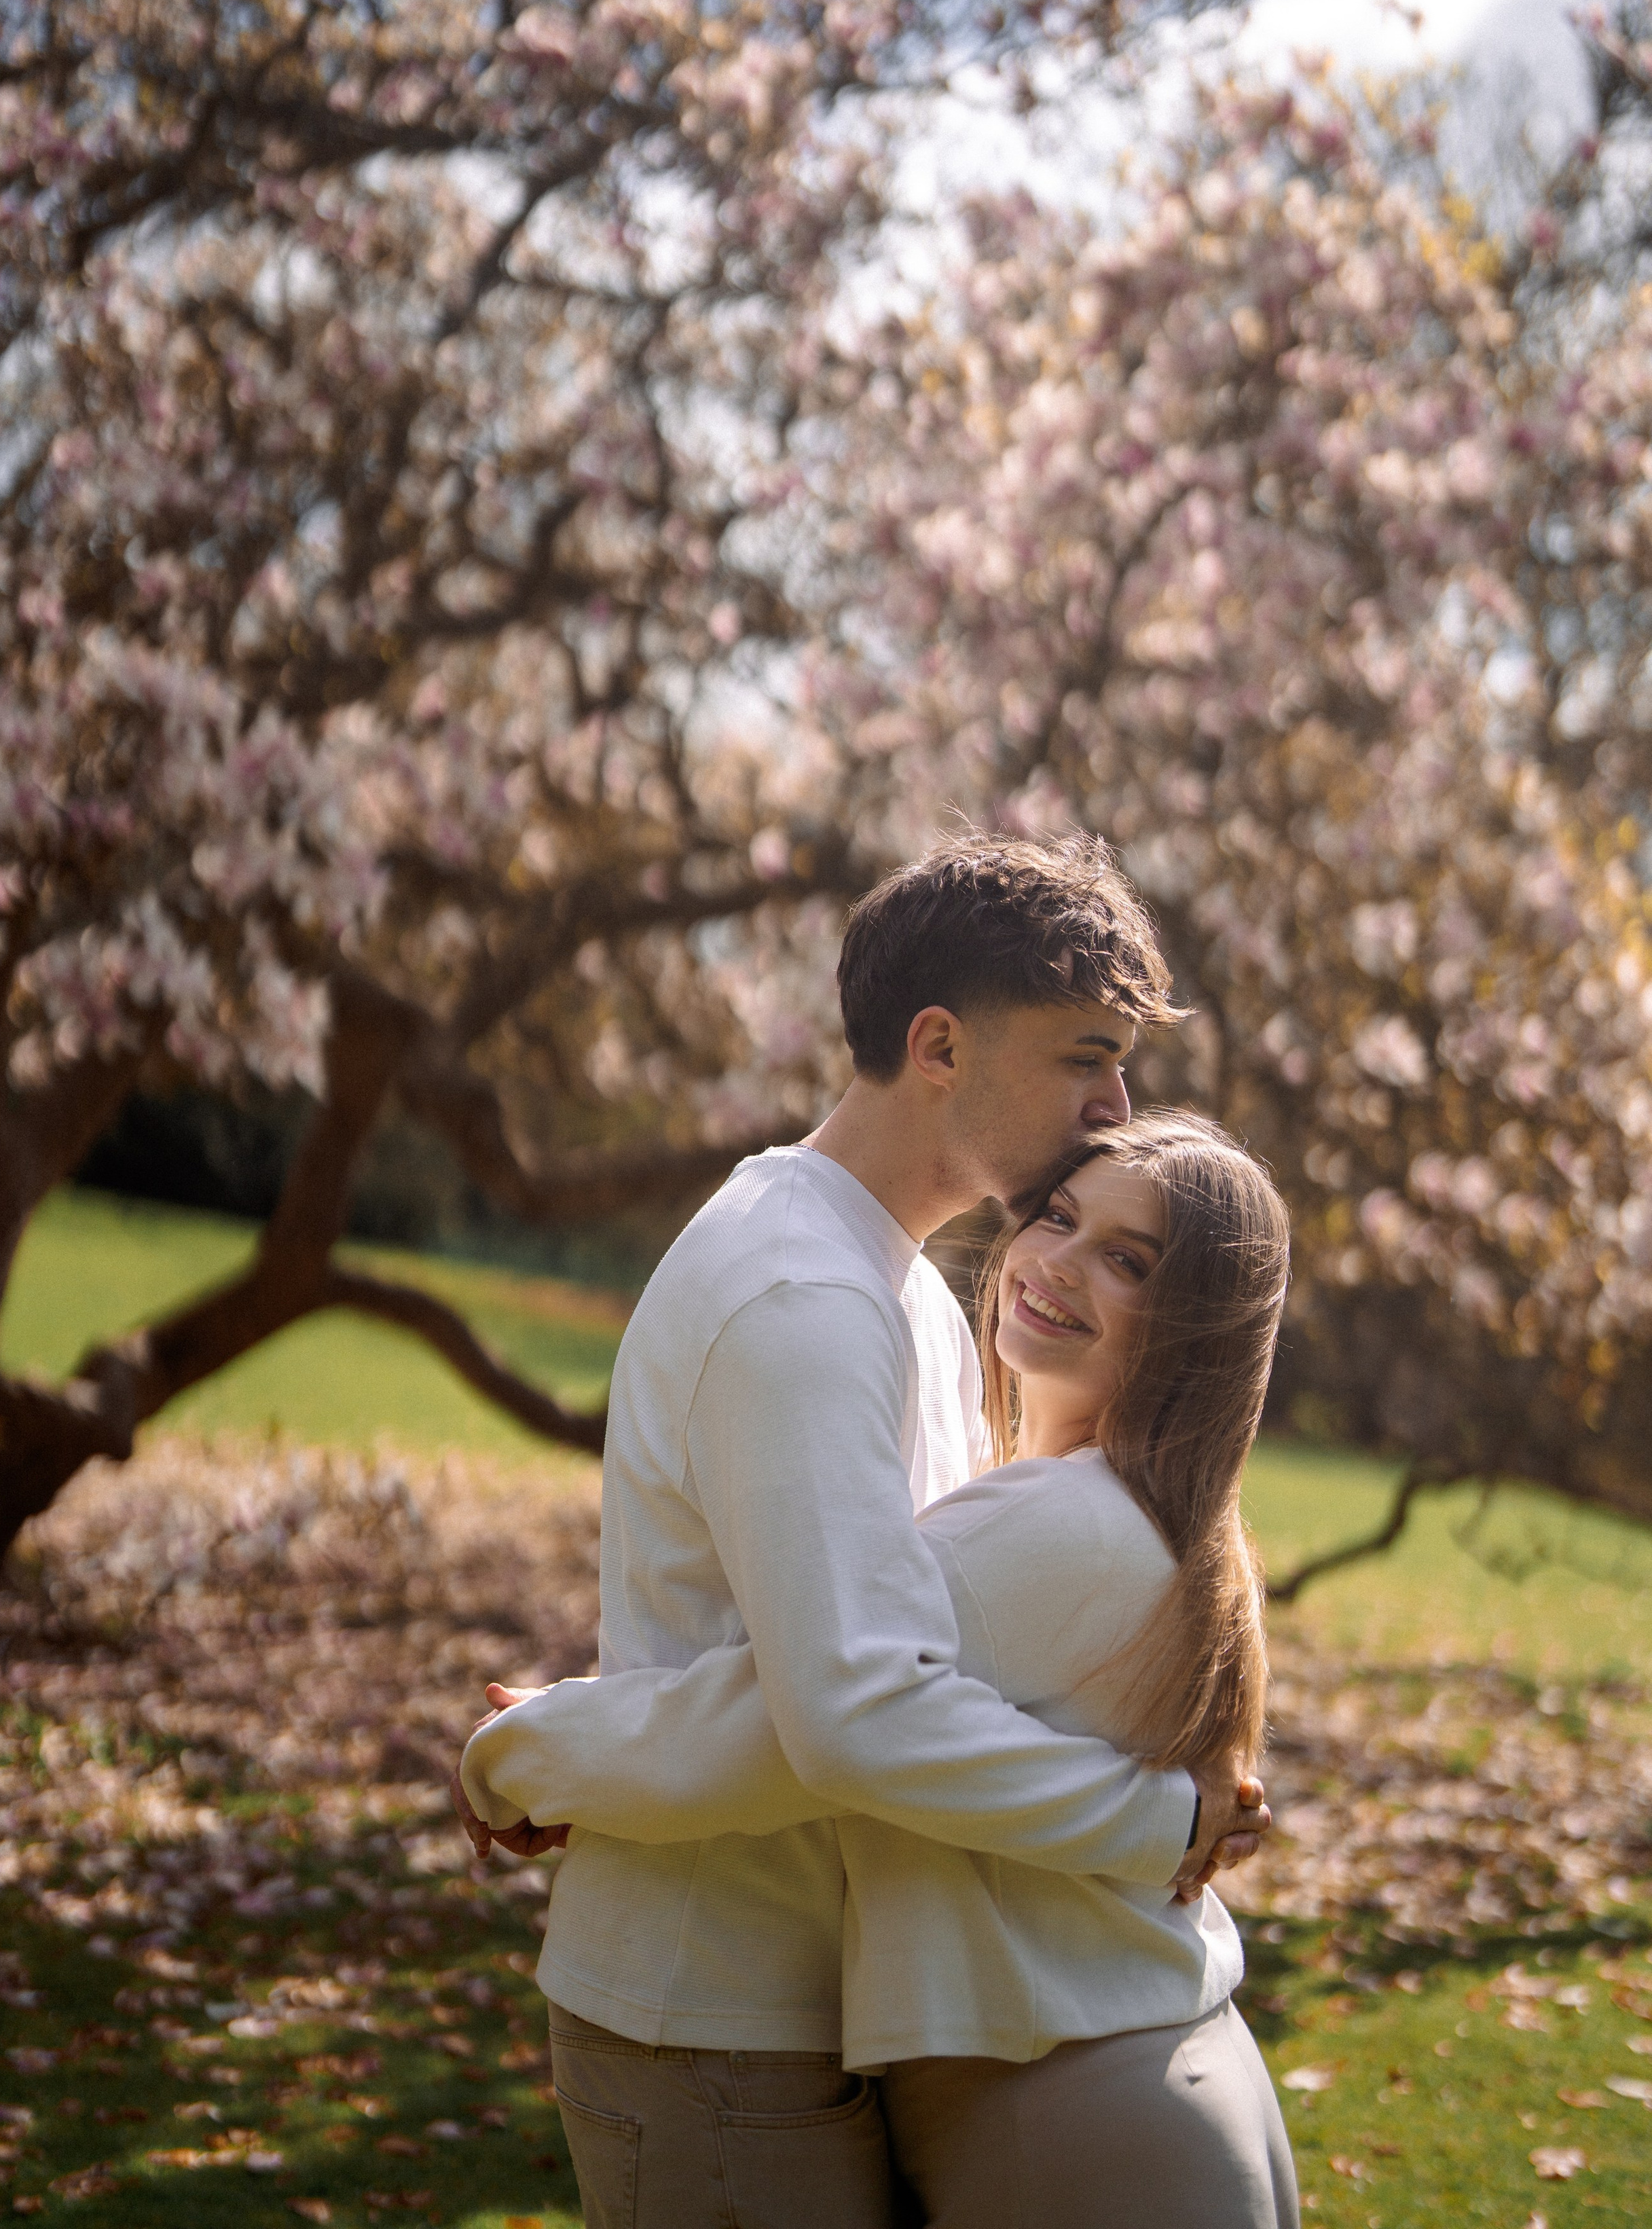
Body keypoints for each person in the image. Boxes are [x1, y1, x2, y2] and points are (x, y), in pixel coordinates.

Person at [454, 838, 1272, 2227]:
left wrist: (570, 1742)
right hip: (711, 2006)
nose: (1114, 1101)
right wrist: (1149, 1819)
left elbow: (910, 1650)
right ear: (940, 1044)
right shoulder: (801, 1296)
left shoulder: (898, 1292)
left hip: (827, 2000)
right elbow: (861, 1705)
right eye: (1086, 1053)